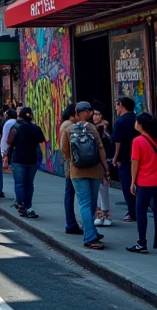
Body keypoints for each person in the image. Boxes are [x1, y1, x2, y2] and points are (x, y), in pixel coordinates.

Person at [60, 101, 110, 250]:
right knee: (93, 204)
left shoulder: (68, 129)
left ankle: (90, 236)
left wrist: (73, 162)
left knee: (84, 204)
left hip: (77, 172)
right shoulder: (92, 128)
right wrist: (106, 169)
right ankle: (91, 232)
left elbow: (65, 151)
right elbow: (101, 149)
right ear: (86, 113)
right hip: (95, 171)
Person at [4, 106, 46, 218]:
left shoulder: (16, 127)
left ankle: (21, 204)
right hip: (31, 159)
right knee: (29, 184)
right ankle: (28, 205)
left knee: (19, 183)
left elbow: (9, 142)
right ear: (31, 116)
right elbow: (41, 141)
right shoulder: (36, 128)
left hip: (18, 158)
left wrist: (7, 157)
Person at [126, 112, 157, 254]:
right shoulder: (154, 140)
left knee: (141, 212)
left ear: (141, 125)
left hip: (144, 182)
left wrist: (132, 181)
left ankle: (142, 243)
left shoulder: (137, 141)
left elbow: (135, 163)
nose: (135, 124)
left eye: (136, 122)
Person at [111, 95, 137, 222]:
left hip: (125, 159)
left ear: (121, 106)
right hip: (138, 158)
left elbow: (118, 142)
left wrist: (115, 158)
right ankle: (138, 210)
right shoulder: (137, 119)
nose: (115, 108)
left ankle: (132, 212)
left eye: (116, 105)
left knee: (127, 186)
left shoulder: (119, 121)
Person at [60, 104, 82, 235]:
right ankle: (71, 223)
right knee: (71, 193)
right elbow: (66, 148)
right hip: (71, 166)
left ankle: (71, 222)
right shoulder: (68, 125)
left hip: (70, 164)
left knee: (70, 193)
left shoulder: (66, 124)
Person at [92, 106, 114, 228]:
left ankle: (105, 215)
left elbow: (108, 146)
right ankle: (100, 215)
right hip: (95, 162)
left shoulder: (104, 128)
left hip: (103, 161)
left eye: (99, 114)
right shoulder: (91, 128)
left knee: (103, 189)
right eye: (95, 114)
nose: (97, 116)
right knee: (98, 189)